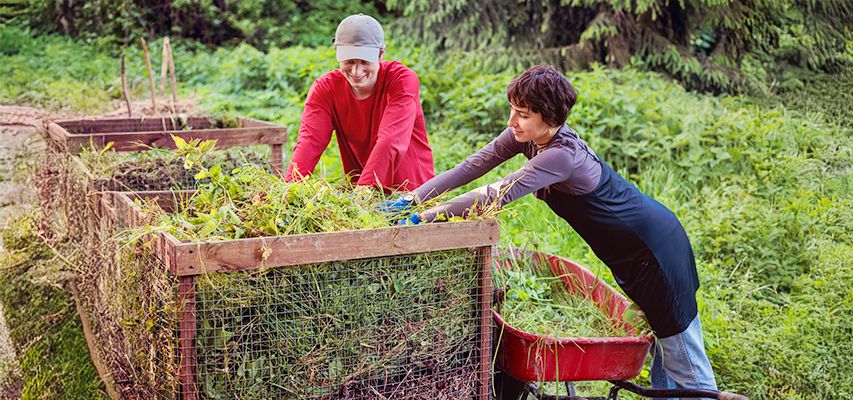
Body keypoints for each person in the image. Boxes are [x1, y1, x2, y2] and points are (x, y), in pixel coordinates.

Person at [382, 66, 718, 398]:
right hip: (635, 249)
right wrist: (412, 199)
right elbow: (474, 165)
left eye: (523, 114)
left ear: (552, 118)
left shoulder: (561, 156)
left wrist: (425, 218)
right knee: (664, 341)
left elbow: (496, 193)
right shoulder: (529, 138)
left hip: (652, 250)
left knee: (682, 354)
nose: (513, 121)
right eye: (513, 110)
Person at [284, 13, 435, 192]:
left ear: (381, 53)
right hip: (364, 197)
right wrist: (290, 189)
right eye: (349, 61)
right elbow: (310, 141)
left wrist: (365, 188)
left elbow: (391, 139)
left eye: (364, 61)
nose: (356, 71)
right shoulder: (326, 89)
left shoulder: (401, 80)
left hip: (412, 193)